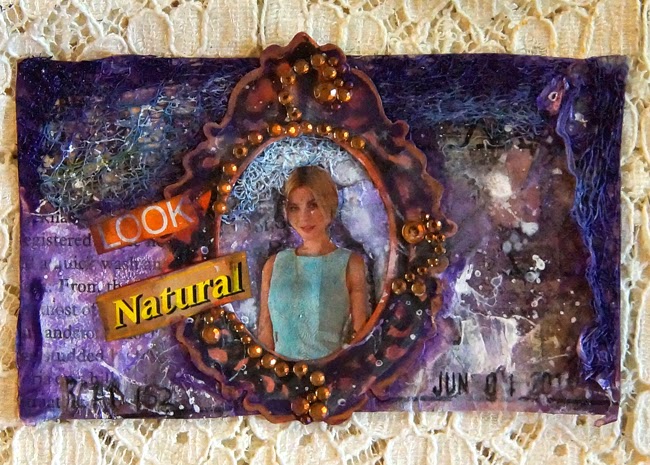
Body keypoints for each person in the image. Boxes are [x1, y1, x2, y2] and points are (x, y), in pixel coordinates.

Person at [258, 166, 369, 360]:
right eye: (294, 208)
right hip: (280, 374)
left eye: (313, 205)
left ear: (329, 204)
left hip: (330, 373)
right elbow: (265, 334)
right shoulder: (274, 264)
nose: (304, 217)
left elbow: (360, 339)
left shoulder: (350, 264)